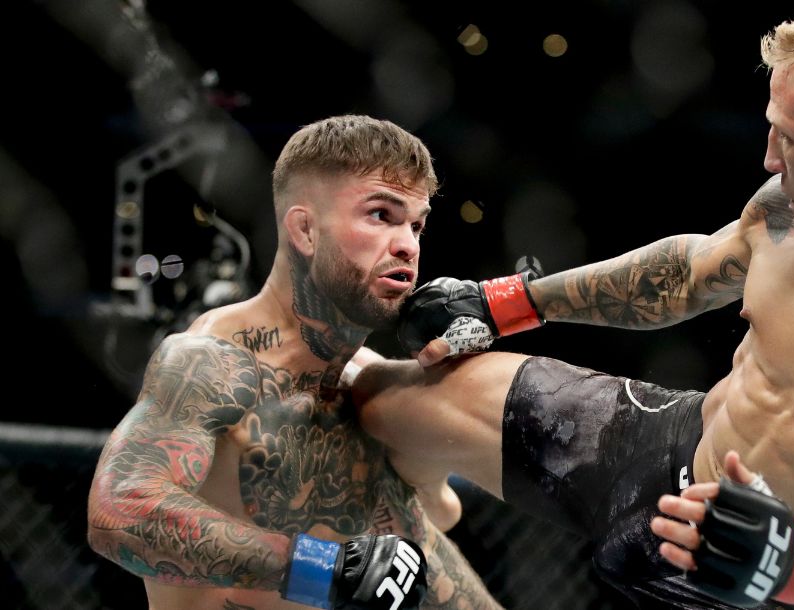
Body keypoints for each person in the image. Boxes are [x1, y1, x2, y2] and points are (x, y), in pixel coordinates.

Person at [353, 3, 794, 609]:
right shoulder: (788, 214)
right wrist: (508, 303)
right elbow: (688, 275)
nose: (769, 157)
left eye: (789, 137)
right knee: (376, 405)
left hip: (774, 584)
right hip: (672, 447)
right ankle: (429, 516)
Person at [87, 115, 499, 610]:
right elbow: (120, 511)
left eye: (416, 224)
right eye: (380, 215)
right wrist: (316, 570)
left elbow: (422, 537)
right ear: (305, 229)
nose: (408, 244)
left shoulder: (368, 383)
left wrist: (434, 411)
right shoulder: (212, 364)